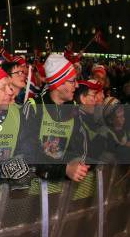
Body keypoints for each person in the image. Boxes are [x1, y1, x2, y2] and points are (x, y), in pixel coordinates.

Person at [22, 54, 90, 183]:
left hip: (63, 190)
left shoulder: (74, 109)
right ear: (58, 84)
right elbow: (28, 152)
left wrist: (76, 163)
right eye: (72, 80)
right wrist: (64, 169)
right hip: (34, 193)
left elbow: (82, 146)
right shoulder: (33, 107)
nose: (76, 85)